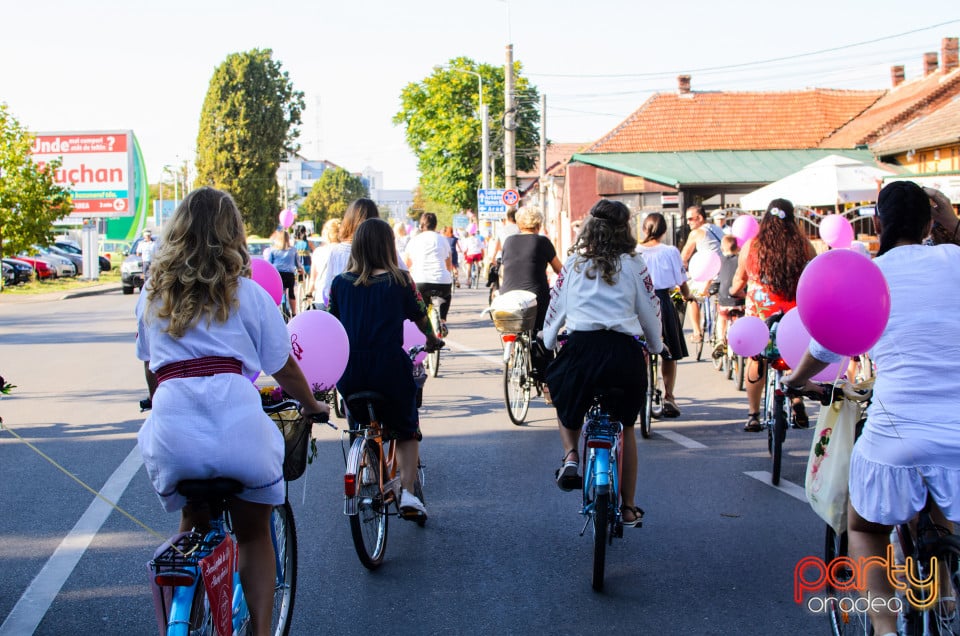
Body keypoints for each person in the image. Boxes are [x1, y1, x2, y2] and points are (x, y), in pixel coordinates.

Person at [135, 187, 328, 636]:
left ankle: (188, 613)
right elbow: (284, 367)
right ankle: (261, 630)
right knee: (253, 532)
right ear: (232, 233)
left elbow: (152, 372)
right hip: (239, 434)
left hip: (173, 437)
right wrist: (311, 403)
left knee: (193, 519)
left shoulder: (152, 296)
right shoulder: (248, 294)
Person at [783, 183, 960, 636]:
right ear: (930, 223)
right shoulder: (955, 258)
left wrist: (795, 380)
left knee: (864, 526)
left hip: (896, 437)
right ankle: (946, 589)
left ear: (877, 225)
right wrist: (953, 225)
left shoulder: (870, 275)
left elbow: (827, 344)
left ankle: (884, 628)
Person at [542, 199, 664, 528]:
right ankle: (628, 507)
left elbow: (556, 307)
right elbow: (650, 310)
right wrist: (656, 345)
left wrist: (549, 339)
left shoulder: (573, 263)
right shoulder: (635, 264)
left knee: (564, 401)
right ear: (625, 229)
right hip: (623, 353)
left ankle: (570, 456)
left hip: (581, 350)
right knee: (625, 426)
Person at [328, 218, 442, 519]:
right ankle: (406, 492)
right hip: (389, 368)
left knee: (360, 420)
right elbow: (420, 317)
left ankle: (366, 461)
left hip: (350, 372)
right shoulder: (401, 280)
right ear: (389, 245)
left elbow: (330, 325)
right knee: (406, 429)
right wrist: (431, 339)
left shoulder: (339, 284)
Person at [730, 198, 816, 432]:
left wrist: (734, 291)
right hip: (793, 314)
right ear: (792, 220)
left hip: (761, 313)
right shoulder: (805, 246)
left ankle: (753, 414)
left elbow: (739, 279)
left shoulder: (751, 246)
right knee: (794, 353)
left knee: (755, 359)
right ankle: (796, 398)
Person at [637, 212, 696, 418]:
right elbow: (682, 281)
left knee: (638, 348)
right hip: (662, 301)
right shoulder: (670, 251)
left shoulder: (634, 251)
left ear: (644, 229)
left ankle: (640, 392)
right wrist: (688, 296)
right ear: (664, 231)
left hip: (639, 303)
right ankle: (669, 396)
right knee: (669, 351)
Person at [499, 207, 563, 390]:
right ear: (538, 223)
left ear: (519, 223)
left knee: (513, 327)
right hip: (536, 296)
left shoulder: (509, 241)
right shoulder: (542, 242)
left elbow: (506, 269)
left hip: (509, 295)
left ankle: (514, 354)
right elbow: (560, 270)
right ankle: (546, 382)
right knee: (542, 333)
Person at [317, 198, 381, 306]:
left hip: (346, 313)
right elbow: (404, 278)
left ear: (348, 221)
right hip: (376, 312)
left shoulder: (337, 252)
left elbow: (328, 288)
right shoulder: (383, 250)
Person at [680, 205, 724, 342]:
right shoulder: (717, 228)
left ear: (699, 218)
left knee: (690, 296)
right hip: (725, 274)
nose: (688, 222)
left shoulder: (696, 233)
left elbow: (683, 257)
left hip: (710, 276)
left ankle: (697, 332)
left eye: (690, 219)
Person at [404, 212, 453, 331]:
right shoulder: (443, 240)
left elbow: (406, 265)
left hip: (421, 281)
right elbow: (448, 264)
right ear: (435, 225)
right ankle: (442, 321)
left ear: (421, 226)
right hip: (443, 282)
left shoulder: (414, 240)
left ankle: (426, 329)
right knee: (446, 295)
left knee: (422, 306)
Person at [712, 234, 745, 360]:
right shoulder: (740, 260)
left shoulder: (719, 261)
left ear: (722, 247)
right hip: (740, 300)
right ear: (737, 247)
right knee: (741, 318)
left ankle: (720, 339)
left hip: (725, 299)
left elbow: (714, 277)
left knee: (722, 317)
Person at [304, 218, 341, 303]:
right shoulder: (346, 251)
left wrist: (309, 293)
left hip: (321, 296)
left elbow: (313, 278)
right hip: (340, 298)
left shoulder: (318, 252)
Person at [267, 230, 303, 317]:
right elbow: (297, 263)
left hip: (277, 274)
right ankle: (294, 313)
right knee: (291, 293)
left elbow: (269, 263)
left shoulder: (273, 250)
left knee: (279, 292)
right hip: (289, 274)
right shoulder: (293, 250)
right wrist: (300, 269)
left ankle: (278, 312)